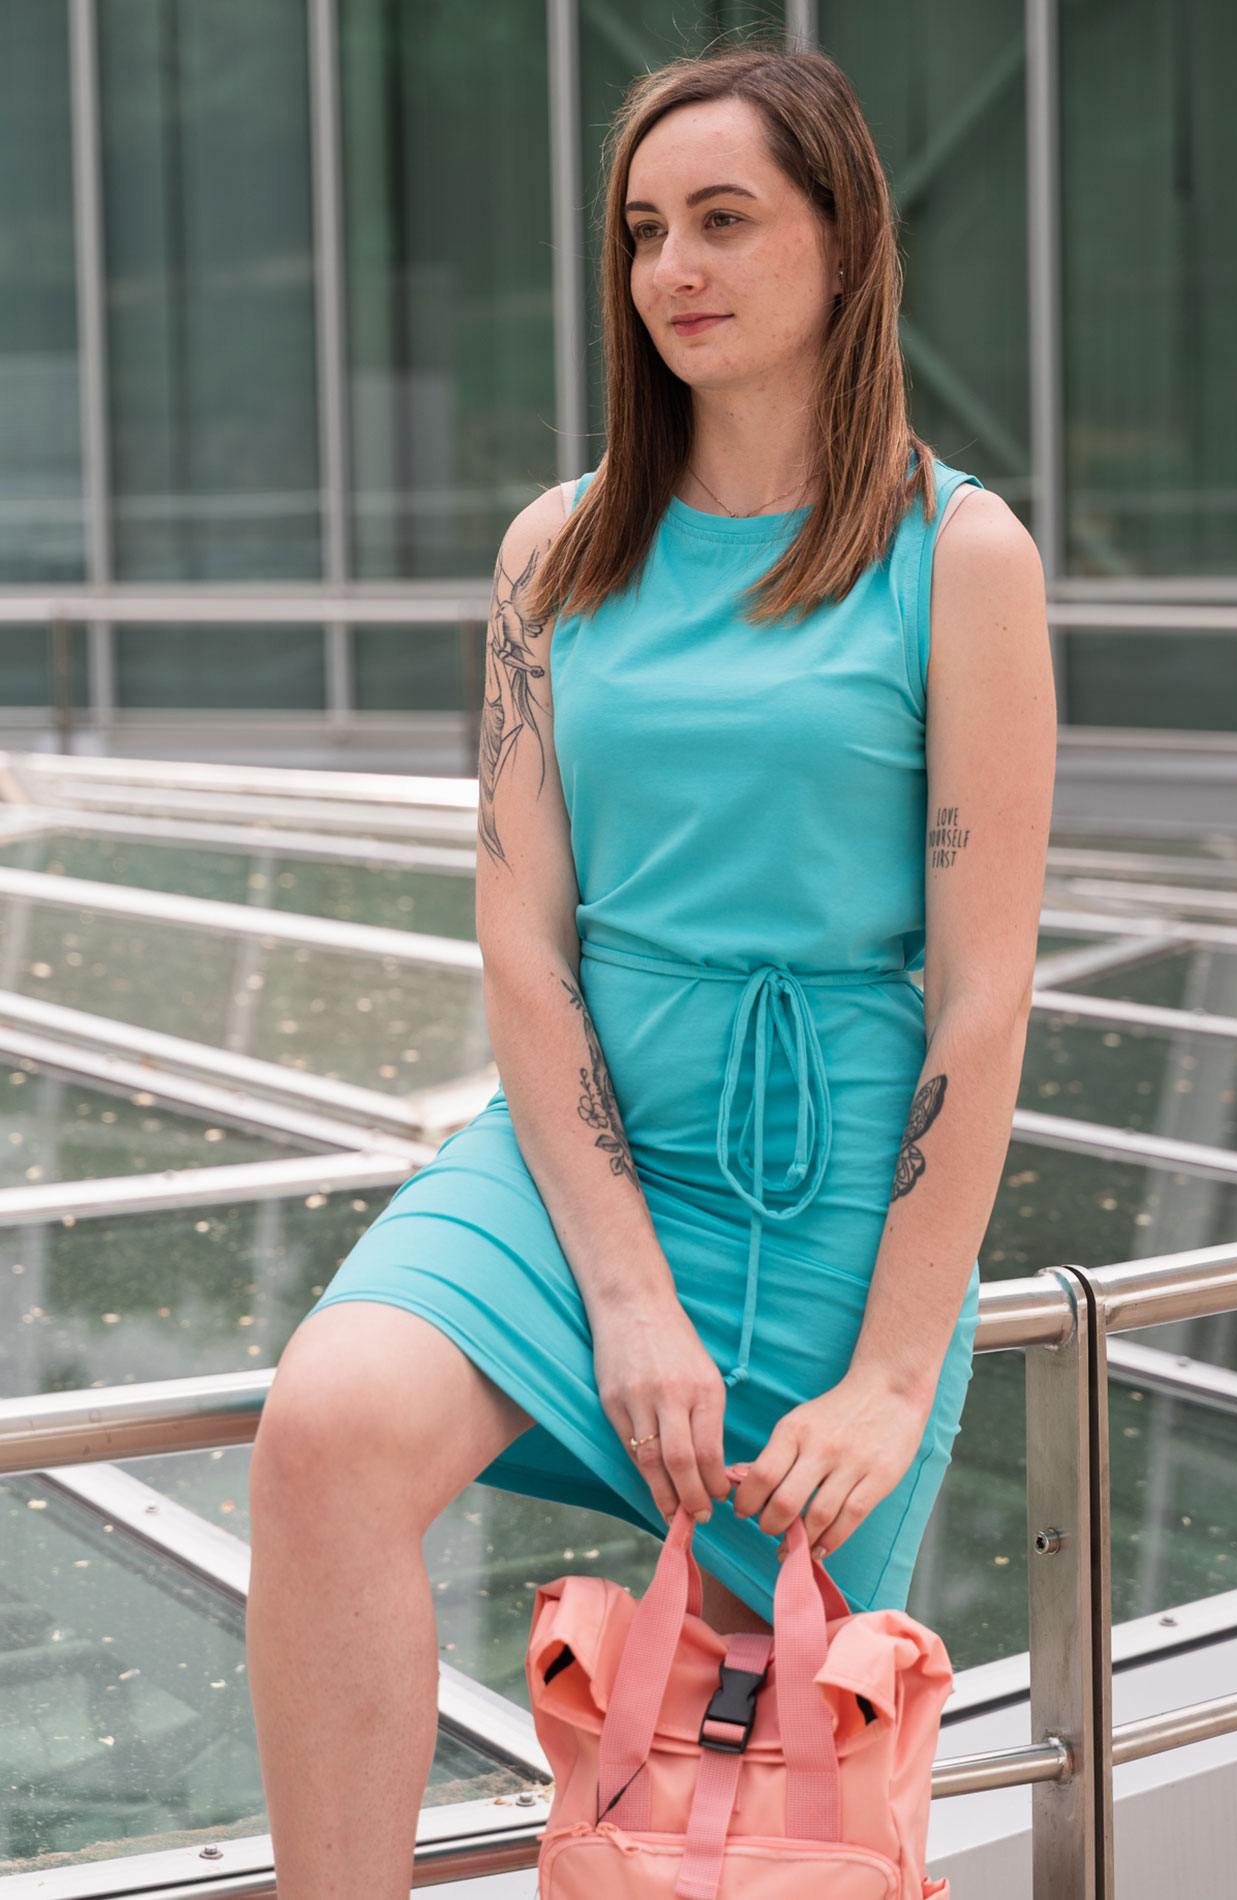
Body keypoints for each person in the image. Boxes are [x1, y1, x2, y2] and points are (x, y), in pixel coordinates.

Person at [245, 41, 1055, 1900]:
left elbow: (984, 990)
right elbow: (520, 941)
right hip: (577, 1154)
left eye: (724, 220)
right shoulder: (556, 549)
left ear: (845, 243)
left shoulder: (962, 556)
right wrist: (622, 1294)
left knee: (765, 1754)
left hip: (834, 1191)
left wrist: (890, 1373)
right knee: (330, 1428)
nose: (673, 267)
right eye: (642, 231)